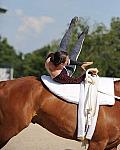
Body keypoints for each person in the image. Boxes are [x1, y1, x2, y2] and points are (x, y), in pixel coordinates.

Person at [45, 17, 98, 84]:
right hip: (67, 71)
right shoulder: (60, 76)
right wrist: (89, 73)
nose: (68, 60)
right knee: (74, 53)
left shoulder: (51, 58)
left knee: (63, 46)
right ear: (62, 64)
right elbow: (76, 81)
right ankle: (82, 36)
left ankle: (72, 26)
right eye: (67, 61)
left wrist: (80, 64)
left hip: (59, 66)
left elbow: (68, 61)